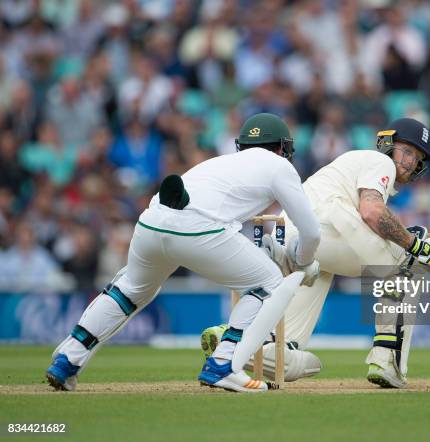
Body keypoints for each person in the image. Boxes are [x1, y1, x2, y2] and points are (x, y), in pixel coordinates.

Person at [46, 113, 321, 393]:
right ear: (281, 148)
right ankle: (224, 364)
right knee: (269, 283)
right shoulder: (278, 165)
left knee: (130, 289)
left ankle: (69, 357)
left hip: (152, 220)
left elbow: (233, 228)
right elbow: (311, 232)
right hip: (197, 228)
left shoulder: (219, 163)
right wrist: (303, 262)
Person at [202, 118, 430, 388]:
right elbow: (372, 213)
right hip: (324, 228)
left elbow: (377, 229)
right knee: (409, 263)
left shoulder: (351, 167)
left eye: (418, 158)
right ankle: (387, 359)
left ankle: (234, 340)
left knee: (292, 355)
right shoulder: (380, 162)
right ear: (387, 143)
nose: (411, 162)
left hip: (298, 238)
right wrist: (420, 246)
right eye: (408, 151)